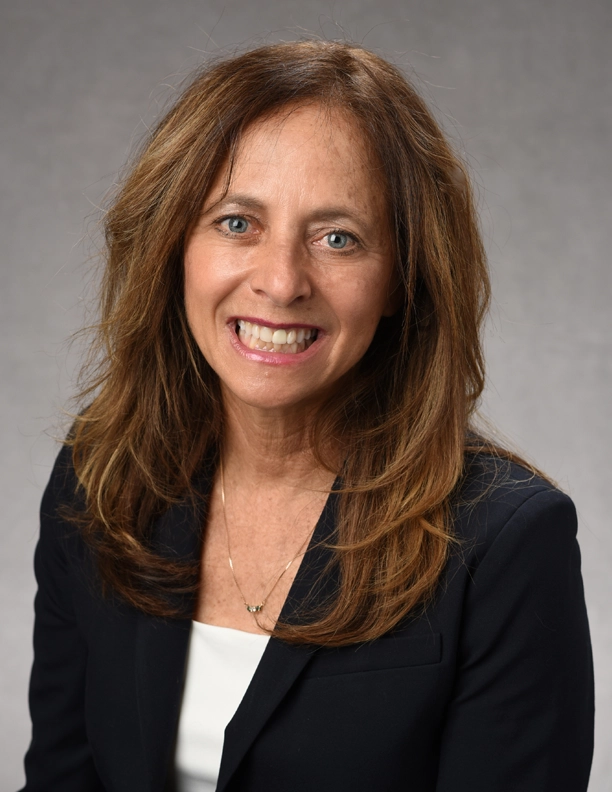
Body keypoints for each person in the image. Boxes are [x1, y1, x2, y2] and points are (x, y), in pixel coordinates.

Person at [20, 40, 594, 792]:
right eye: (236, 222)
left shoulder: (508, 547)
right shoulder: (102, 478)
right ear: (173, 246)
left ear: (402, 280)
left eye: (338, 239)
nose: (283, 281)